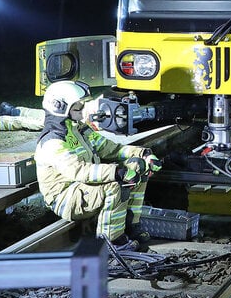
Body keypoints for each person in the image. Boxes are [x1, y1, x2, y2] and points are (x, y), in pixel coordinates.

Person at [34, 81, 163, 252]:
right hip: (65, 197)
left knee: (138, 166)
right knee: (114, 185)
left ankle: (131, 225)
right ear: (60, 109)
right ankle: (112, 242)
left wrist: (143, 155)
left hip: (82, 189)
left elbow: (112, 149)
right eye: (77, 108)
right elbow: (78, 171)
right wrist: (117, 172)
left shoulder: (78, 129)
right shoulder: (53, 142)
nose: (82, 112)